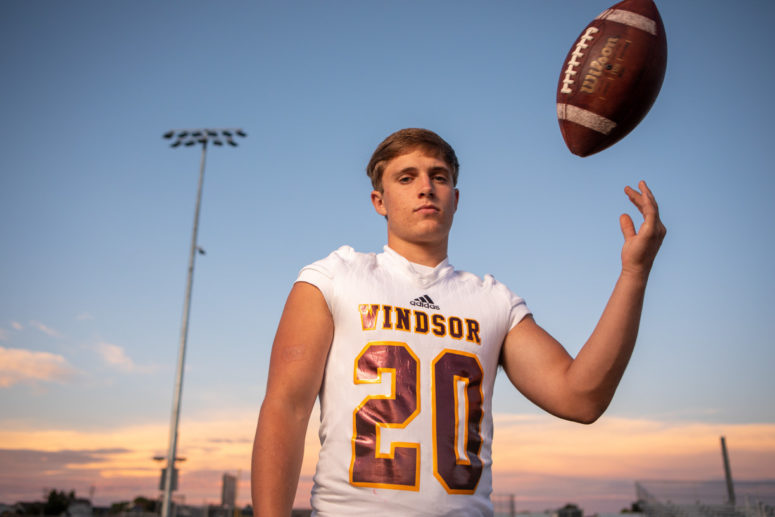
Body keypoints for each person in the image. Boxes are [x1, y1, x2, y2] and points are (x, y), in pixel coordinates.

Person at [251, 128, 666, 516]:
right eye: (406, 178)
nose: (426, 187)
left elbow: (581, 398)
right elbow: (286, 409)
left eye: (439, 176)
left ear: (456, 197)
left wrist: (634, 274)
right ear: (379, 201)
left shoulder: (492, 300)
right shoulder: (334, 277)